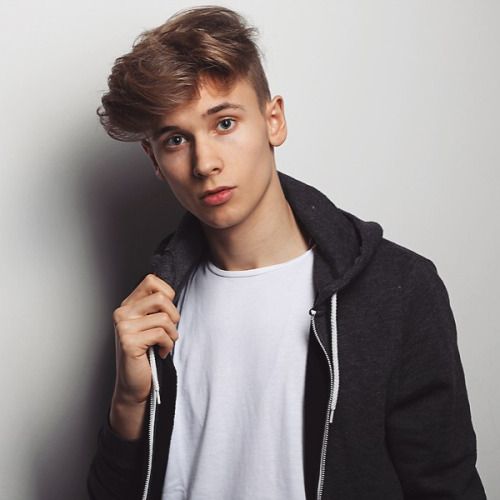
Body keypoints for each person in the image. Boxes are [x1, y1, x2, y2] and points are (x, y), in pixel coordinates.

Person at [87, 6, 486, 500]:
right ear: (154, 158)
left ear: (273, 121)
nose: (205, 163)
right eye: (175, 140)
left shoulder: (396, 289)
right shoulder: (153, 305)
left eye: (225, 123)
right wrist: (128, 400)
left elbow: (445, 485)